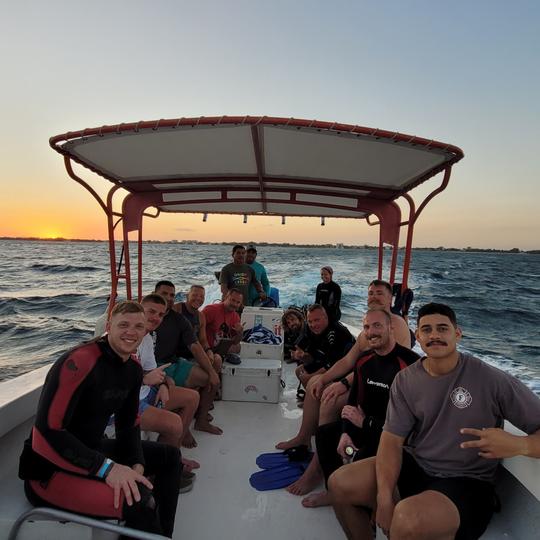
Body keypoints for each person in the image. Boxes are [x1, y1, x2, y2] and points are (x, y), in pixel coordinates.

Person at [329, 303, 540, 540]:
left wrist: (519, 445)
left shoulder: (490, 379)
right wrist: (384, 497)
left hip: (467, 481)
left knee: (407, 520)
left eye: (442, 328)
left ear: (457, 334)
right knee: (339, 484)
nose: (434, 335)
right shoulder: (406, 380)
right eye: (427, 330)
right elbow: (391, 442)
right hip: (417, 465)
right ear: (417, 336)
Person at [18, 301, 182, 538]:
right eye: (123, 324)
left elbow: (129, 425)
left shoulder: (133, 369)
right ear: (108, 326)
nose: (131, 332)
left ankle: (162, 536)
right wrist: (107, 468)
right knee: (140, 500)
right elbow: (45, 435)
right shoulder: (79, 362)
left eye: (138, 326)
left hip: (90, 451)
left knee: (170, 457)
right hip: (48, 472)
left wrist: (136, 462)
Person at [277, 280, 413, 495]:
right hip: (363, 381)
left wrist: (344, 383)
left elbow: (391, 367)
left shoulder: (396, 324)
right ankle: (304, 438)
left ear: (390, 299)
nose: (374, 297)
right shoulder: (365, 332)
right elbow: (349, 362)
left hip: (382, 390)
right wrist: (324, 379)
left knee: (329, 402)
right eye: (370, 293)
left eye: (379, 293)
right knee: (315, 384)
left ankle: (318, 468)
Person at [303, 308, 419, 508]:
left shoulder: (410, 365)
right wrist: (347, 433)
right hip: (364, 425)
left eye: (377, 325)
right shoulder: (364, 361)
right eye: (366, 326)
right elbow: (352, 403)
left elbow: (411, 425)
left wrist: (365, 423)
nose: (371, 331)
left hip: (392, 436)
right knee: (325, 434)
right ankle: (333, 492)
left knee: (362, 457)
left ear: (391, 328)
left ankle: (366, 502)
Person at [153, 280, 222, 435]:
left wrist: (211, 372)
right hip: (156, 366)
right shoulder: (147, 316)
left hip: (174, 362)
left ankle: (201, 420)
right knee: (191, 392)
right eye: (164, 294)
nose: (169, 298)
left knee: (211, 378)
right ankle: (182, 425)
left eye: (171, 295)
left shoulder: (178, 319)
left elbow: (196, 345)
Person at [138, 293, 200, 460]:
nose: (156, 318)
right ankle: (163, 465)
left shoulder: (147, 338)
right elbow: (112, 381)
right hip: (128, 404)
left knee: (192, 397)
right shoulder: (125, 338)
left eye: (160, 314)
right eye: (151, 311)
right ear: (139, 309)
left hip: (146, 392)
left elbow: (151, 370)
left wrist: (164, 383)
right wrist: (143, 380)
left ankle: (172, 453)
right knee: (174, 424)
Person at [292, 304, 355, 389]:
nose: (313, 325)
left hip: (343, 369)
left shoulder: (337, 333)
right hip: (324, 360)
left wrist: (311, 376)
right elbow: (311, 357)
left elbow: (333, 364)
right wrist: (302, 356)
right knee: (299, 371)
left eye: (317, 320)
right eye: (310, 321)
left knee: (312, 380)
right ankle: (312, 396)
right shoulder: (310, 329)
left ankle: (316, 396)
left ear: (326, 318)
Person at [173, 284, 224, 377]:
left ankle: (207, 390)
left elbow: (203, 340)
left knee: (217, 360)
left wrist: (208, 351)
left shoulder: (200, 316)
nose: (198, 299)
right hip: (177, 356)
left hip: (194, 355)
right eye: (195, 295)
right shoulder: (177, 309)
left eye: (201, 296)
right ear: (187, 296)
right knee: (203, 375)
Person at [202, 288, 244, 363]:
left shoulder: (236, 317)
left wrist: (240, 332)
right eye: (232, 300)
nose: (234, 304)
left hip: (219, 347)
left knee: (238, 347)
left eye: (238, 302)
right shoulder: (211, 310)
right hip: (206, 347)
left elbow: (235, 342)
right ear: (226, 298)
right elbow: (196, 328)